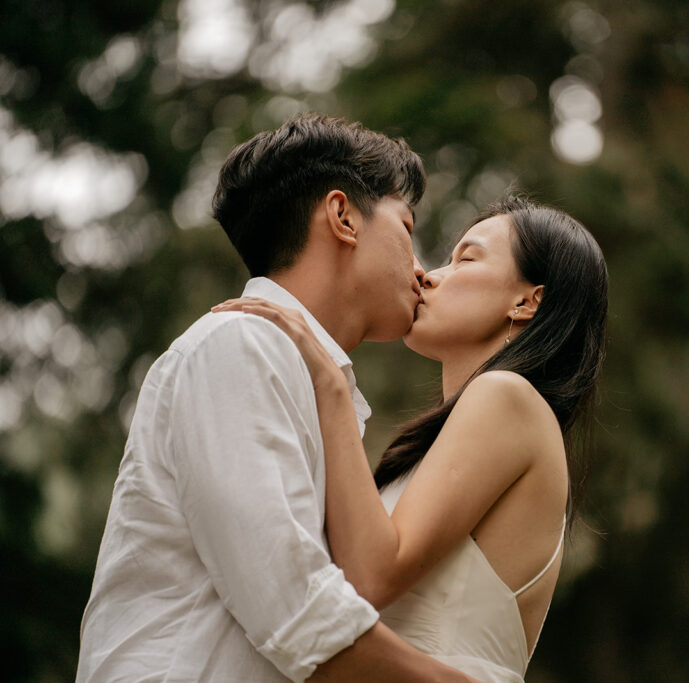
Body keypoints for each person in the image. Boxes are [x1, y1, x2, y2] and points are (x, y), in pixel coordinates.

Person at [77, 114, 473, 682]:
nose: (421, 270)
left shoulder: (307, 380)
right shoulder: (238, 344)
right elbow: (297, 611)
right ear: (342, 217)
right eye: (408, 228)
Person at [212, 194, 609, 682]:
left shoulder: (508, 397)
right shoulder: (480, 421)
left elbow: (372, 576)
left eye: (465, 259)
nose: (428, 275)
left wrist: (331, 385)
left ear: (527, 301)